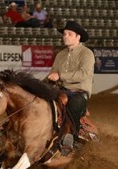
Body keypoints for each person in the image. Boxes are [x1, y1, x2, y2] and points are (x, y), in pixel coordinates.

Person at [47, 20, 95, 151]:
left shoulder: (87, 54)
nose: (65, 36)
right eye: (64, 34)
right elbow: (53, 72)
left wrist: (60, 75)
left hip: (79, 92)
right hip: (61, 90)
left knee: (73, 105)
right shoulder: (61, 54)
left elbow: (83, 74)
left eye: (69, 34)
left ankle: (71, 137)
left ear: (78, 37)